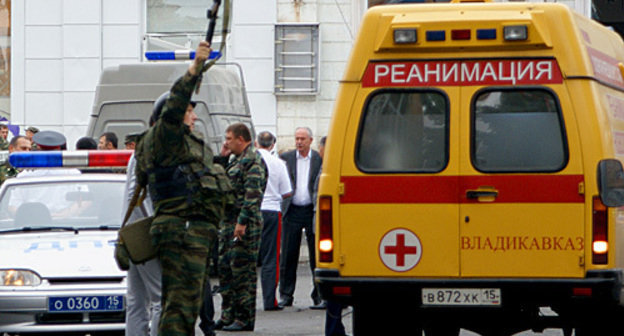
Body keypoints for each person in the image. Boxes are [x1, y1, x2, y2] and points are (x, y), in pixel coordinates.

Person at [134, 40, 233, 336]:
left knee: (184, 306)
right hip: (182, 230)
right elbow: (176, 103)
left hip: (191, 229)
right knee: (180, 308)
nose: (194, 115)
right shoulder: (166, 136)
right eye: (190, 111)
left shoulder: (173, 141)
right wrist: (194, 69)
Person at [215, 123, 267, 332]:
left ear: (241, 139)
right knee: (226, 269)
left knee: (242, 272)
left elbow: (252, 195)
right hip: (228, 223)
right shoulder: (235, 160)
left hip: (243, 225)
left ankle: (244, 317)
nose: (226, 142)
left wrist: (242, 222)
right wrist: (222, 157)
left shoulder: (252, 161)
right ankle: (228, 314)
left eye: (229, 138)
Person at [279, 127, 323, 309]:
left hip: (311, 211)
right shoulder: (286, 158)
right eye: (296, 138)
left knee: (316, 255)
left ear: (310, 140)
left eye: (302, 139)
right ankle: (286, 294)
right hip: (292, 211)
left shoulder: (319, 159)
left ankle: (319, 295)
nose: (299, 142)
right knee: (288, 255)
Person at [122, 132, 162, 336]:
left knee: (136, 301)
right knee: (161, 300)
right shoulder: (151, 149)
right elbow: (135, 194)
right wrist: (156, 224)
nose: (193, 118)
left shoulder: (143, 150)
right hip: (145, 236)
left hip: (135, 233)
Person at [256, 131, 292, 311]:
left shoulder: (249, 160)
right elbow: (286, 192)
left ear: (256, 143)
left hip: (250, 210)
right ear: (272, 145)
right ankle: (270, 300)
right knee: (271, 258)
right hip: (271, 210)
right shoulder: (278, 164)